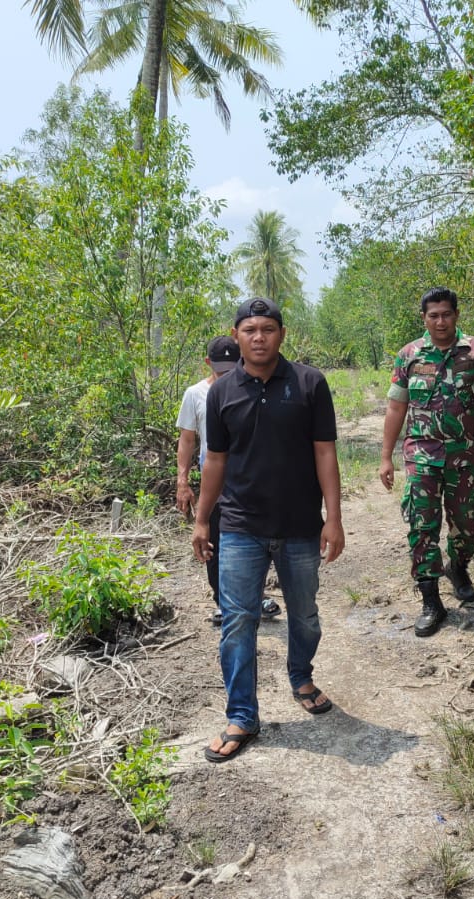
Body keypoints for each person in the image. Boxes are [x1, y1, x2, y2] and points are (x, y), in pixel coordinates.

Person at [192, 296, 346, 763]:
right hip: (240, 525)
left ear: (282, 334)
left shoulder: (309, 384)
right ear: (236, 335)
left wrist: (334, 519)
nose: (259, 337)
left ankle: (301, 675)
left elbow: (324, 453)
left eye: (268, 329)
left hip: (300, 524)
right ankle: (242, 715)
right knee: (237, 620)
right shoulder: (221, 392)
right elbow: (215, 461)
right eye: (250, 329)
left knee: (304, 614)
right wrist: (202, 518)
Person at [379, 287, 474, 637]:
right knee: (422, 527)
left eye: (446, 314)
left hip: (464, 457)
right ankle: (431, 599)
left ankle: (459, 567)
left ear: (456, 315)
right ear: (424, 318)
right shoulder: (409, 355)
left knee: (467, 524)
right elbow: (396, 407)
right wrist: (386, 456)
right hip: (421, 458)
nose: (440, 321)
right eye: (433, 315)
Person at [175, 336, 281, 625]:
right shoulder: (195, 394)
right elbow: (187, 440)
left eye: (231, 368)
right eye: (219, 369)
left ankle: (255, 597)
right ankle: (223, 600)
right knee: (215, 540)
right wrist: (182, 481)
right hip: (215, 478)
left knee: (256, 540)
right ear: (208, 363)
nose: (225, 374)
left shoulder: (254, 389)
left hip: (251, 476)